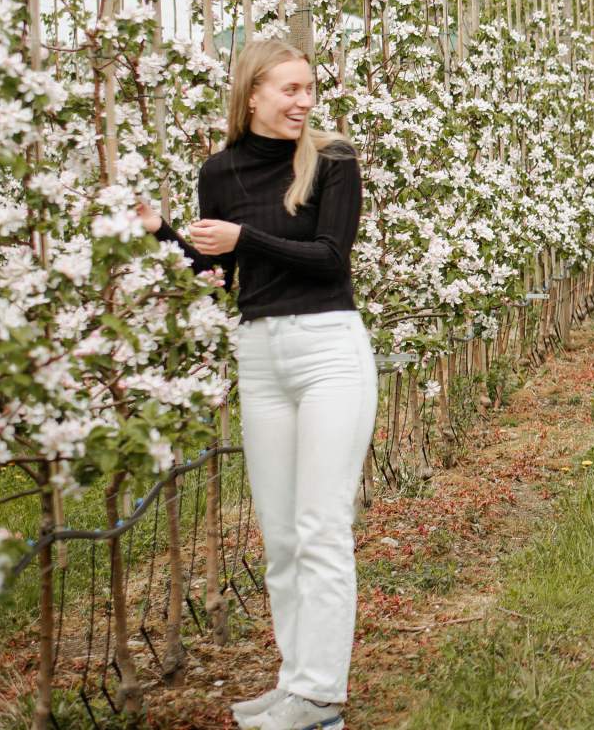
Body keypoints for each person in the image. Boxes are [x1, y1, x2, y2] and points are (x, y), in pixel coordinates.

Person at [137, 37, 371, 730]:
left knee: (322, 526)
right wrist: (161, 235)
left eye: (308, 89)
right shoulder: (221, 172)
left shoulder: (332, 160)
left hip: (329, 348)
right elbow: (216, 275)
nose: (304, 102)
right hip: (260, 354)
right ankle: (299, 680)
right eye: (289, 90)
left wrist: (242, 239)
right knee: (280, 537)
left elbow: (330, 259)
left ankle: (322, 695)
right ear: (253, 94)